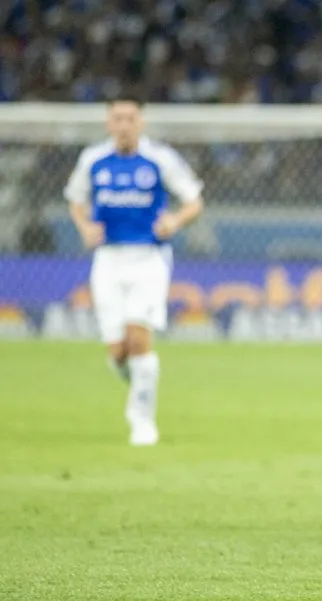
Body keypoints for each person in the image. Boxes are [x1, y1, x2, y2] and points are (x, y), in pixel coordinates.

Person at [64, 97, 204, 446]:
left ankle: (142, 420)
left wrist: (175, 220)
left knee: (139, 337)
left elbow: (193, 200)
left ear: (141, 122)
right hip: (108, 260)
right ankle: (141, 382)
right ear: (108, 124)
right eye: (118, 118)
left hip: (149, 258)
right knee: (118, 352)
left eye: (130, 118)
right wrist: (84, 227)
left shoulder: (160, 158)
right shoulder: (93, 160)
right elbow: (76, 199)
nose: (124, 124)